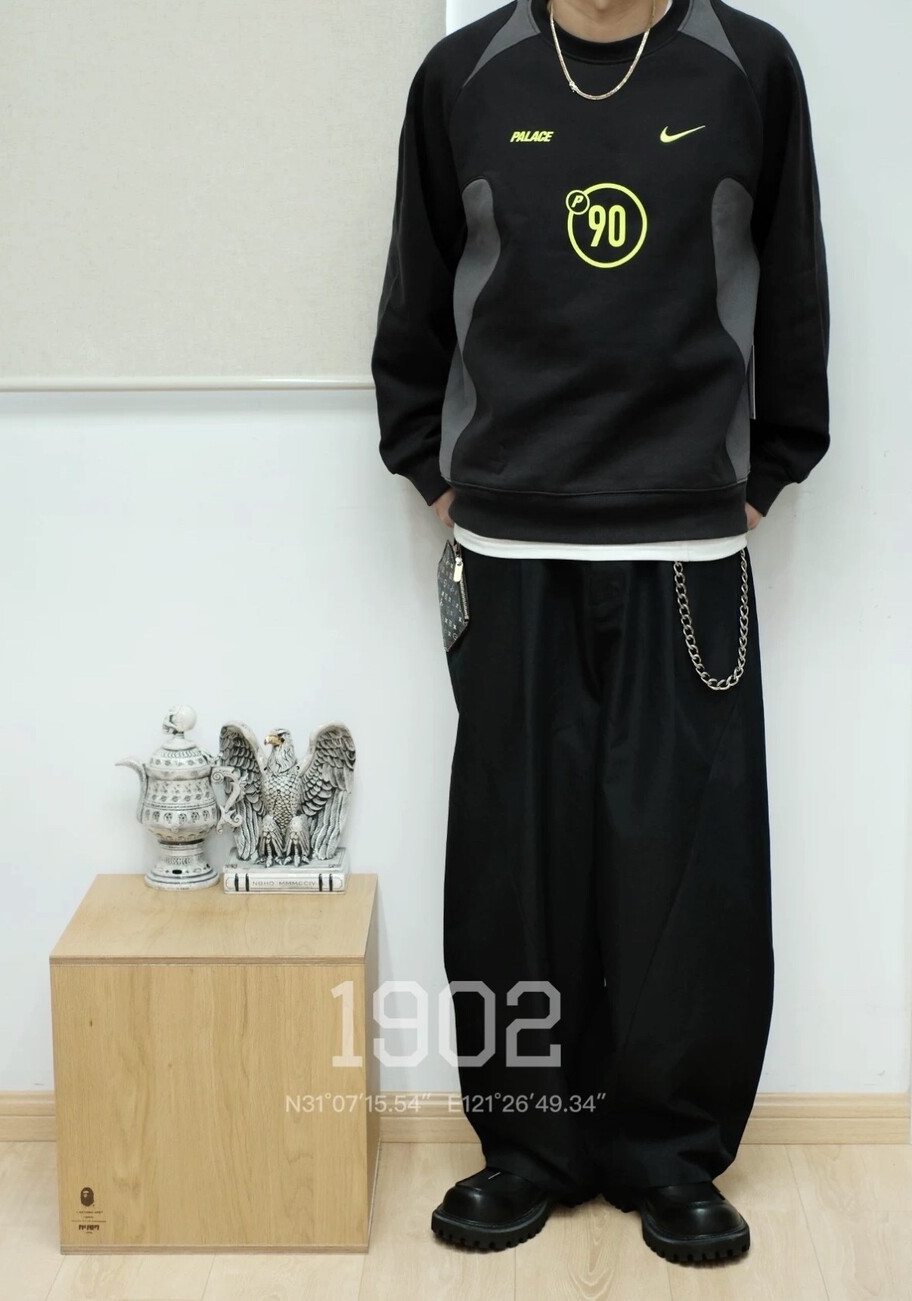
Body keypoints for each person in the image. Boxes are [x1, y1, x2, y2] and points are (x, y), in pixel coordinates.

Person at [371, 0, 829, 1266]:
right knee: (512, 863)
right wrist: (430, 464)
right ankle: (528, 1146)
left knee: (688, 868)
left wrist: (767, 467)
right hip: (509, 542)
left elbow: (793, 285)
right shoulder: (462, 74)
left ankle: (671, 1155)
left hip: (686, 544)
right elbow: (414, 288)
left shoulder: (748, 67)